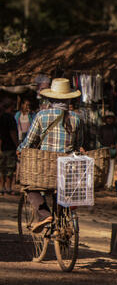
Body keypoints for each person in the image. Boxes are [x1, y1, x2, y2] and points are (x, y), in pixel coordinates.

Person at [16, 78, 83, 231]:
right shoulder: (77, 118)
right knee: (61, 189)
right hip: (67, 166)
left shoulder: (42, 115)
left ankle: (44, 214)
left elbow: (29, 141)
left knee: (29, 186)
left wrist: (20, 149)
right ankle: (63, 218)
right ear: (68, 98)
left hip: (46, 166)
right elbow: (79, 144)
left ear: (50, 98)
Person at [0, 99, 19, 195]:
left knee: (1, 168)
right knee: (9, 168)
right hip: (9, 147)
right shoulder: (10, 118)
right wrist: (17, 145)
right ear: (11, 107)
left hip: (2, 146)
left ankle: (2, 187)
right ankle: (8, 187)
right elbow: (13, 133)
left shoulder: (1, 117)